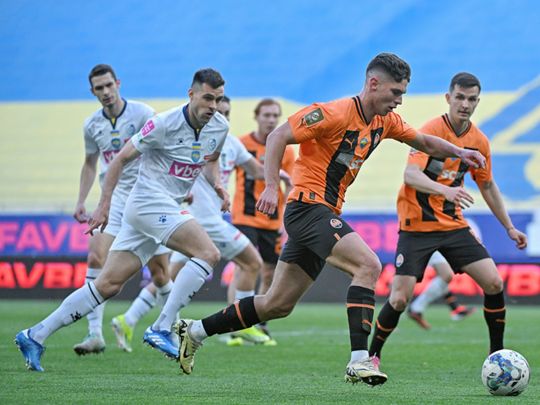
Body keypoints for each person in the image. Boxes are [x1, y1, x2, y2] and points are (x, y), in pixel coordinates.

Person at [173, 53, 486, 386]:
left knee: (277, 304)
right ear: (373, 83)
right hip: (307, 208)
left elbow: (422, 141)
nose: (399, 100)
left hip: (323, 213)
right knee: (368, 265)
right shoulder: (333, 113)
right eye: (395, 92)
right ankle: (359, 360)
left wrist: (459, 152)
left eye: (403, 93)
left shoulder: (385, 122)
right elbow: (278, 136)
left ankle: (195, 331)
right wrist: (271, 187)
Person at [15, 68, 229, 371]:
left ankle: (34, 335)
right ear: (191, 94)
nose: (213, 106)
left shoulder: (219, 126)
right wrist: (103, 206)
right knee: (208, 253)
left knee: (108, 284)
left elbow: (211, 161)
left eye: (218, 99)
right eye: (207, 98)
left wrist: (218, 185)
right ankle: (162, 327)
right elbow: (119, 160)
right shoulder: (163, 123)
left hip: (162, 207)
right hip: (146, 201)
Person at [369, 72, 528, 368]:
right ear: (448, 98)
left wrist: (509, 227)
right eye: (460, 97)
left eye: (471, 99)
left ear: (477, 102)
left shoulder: (479, 141)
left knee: (494, 282)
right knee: (400, 299)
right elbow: (410, 175)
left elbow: (487, 185)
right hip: (416, 227)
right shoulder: (431, 131)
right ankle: (372, 356)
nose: (465, 104)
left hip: (452, 226)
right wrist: (446, 190)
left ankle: (497, 356)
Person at [110, 96, 291, 350]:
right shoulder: (193, 139)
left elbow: (256, 170)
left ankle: (128, 318)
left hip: (197, 221)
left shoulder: (230, 143)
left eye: (226, 112)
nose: (221, 116)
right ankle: (243, 323)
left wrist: (281, 175)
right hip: (198, 219)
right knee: (252, 262)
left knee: (168, 275)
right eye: (218, 111)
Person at [67, 64, 173, 355]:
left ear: (118, 83)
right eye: (99, 88)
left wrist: (173, 187)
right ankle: (94, 335)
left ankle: (171, 330)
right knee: (95, 256)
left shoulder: (142, 113)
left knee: (160, 274)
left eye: (108, 85)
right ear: (92, 92)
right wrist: (81, 200)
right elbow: (90, 163)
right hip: (112, 198)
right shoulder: (91, 125)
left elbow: (164, 149)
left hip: (146, 197)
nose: (105, 92)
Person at [230, 98, 295, 342]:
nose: (271, 120)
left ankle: (260, 324)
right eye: (266, 115)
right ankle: (233, 325)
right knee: (244, 267)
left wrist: (287, 220)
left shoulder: (286, 149)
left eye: (275, 116)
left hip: (272, 220)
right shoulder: (241, 144)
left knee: (270, 273)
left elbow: (291, 185)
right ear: (256, 116)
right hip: (244, 217)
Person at [407, 218, 482, 329]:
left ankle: (454, 308)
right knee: (445, 275)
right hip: (426, 235)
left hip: (434, 234)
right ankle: (414, 309)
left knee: (444, 275)